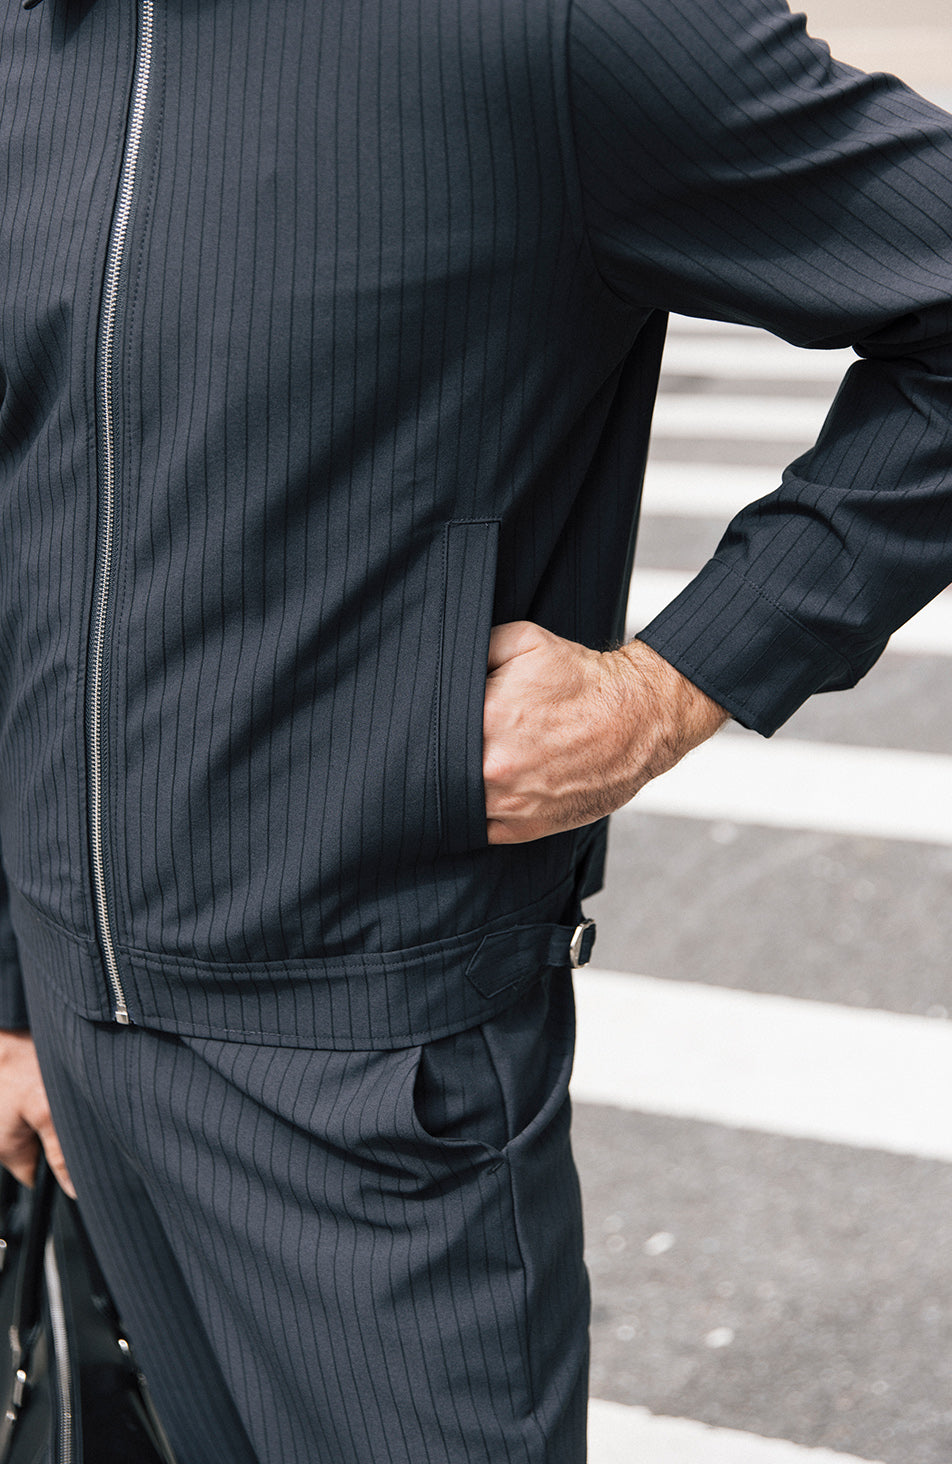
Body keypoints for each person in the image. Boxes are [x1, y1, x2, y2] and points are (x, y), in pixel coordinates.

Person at [1, 0, 950, 1459]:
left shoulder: (544, 22)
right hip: (83, 1052)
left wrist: (667, 689)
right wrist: (16, 991)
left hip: (370, 1077)